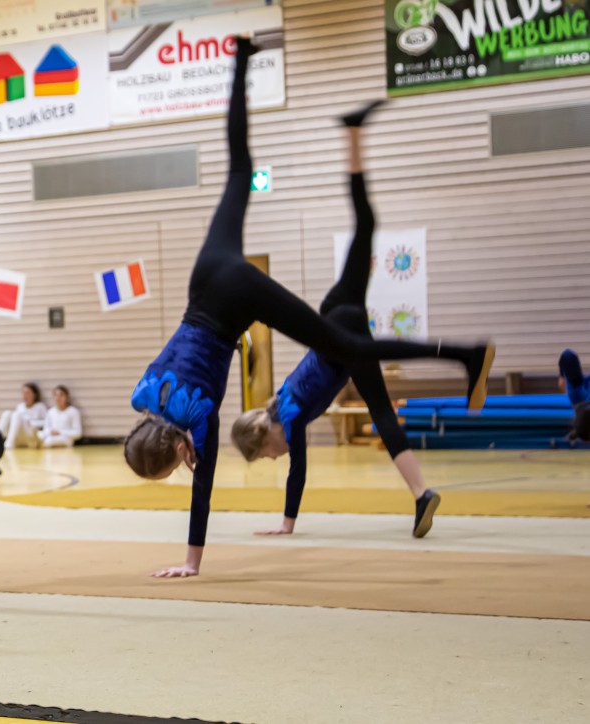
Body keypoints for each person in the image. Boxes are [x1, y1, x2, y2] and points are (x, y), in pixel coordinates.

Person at [122, 37, 493, 580]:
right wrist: (173, 440)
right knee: (238, 169)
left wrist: (190, 561)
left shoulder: (199, 419)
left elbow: (203, 491)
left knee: (347, 345)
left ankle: (464, 355)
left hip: (234, 304)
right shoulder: (142, 394)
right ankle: (241, 61)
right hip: (205, 279)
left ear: (176, 453)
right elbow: (162, 406)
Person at [229, 101, 444, 539]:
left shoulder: (288, 415)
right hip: (341, 335)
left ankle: (457, 357)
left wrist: (287, 524)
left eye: (266, 454)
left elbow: (299, 471)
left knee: (382, 409)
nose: (273, 458)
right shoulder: (284, 405)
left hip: (340, 336)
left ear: (264, 436)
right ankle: (353, 135)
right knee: (365, 224)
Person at [0, 383, 48, 448]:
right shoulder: (20, 406)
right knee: (7, 413)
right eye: (23, 393)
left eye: (28, 393)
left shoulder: (40, 406)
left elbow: (47, 422)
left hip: (30, 437)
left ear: (34, 395)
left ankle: (9, 442)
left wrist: (31, 423)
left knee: (17, 415)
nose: (25, 395)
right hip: (19, 436)